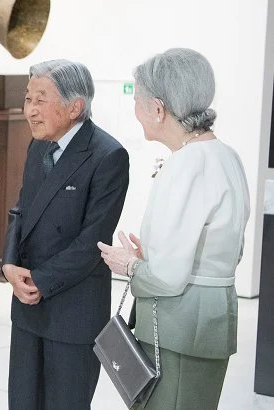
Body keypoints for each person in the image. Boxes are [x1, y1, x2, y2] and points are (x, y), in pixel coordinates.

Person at [97, 48, 250, 410]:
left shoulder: (186, 165)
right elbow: (231, 249)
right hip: (210, 317)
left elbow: (167, 278)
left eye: (137, 100)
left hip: (179, 326)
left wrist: (128, 264)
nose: (136, 110)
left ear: (158, 108)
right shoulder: (226, 155)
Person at [2, 59, 129, 410]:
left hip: (73, 310)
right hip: (27, 303)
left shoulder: (109, 155)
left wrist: (39, 281)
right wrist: (9, 264)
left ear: (75, 107)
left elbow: (93, 242)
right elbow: (21, 210)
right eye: (28, 99)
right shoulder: (38, 145)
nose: (29, 111)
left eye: (40, 100)